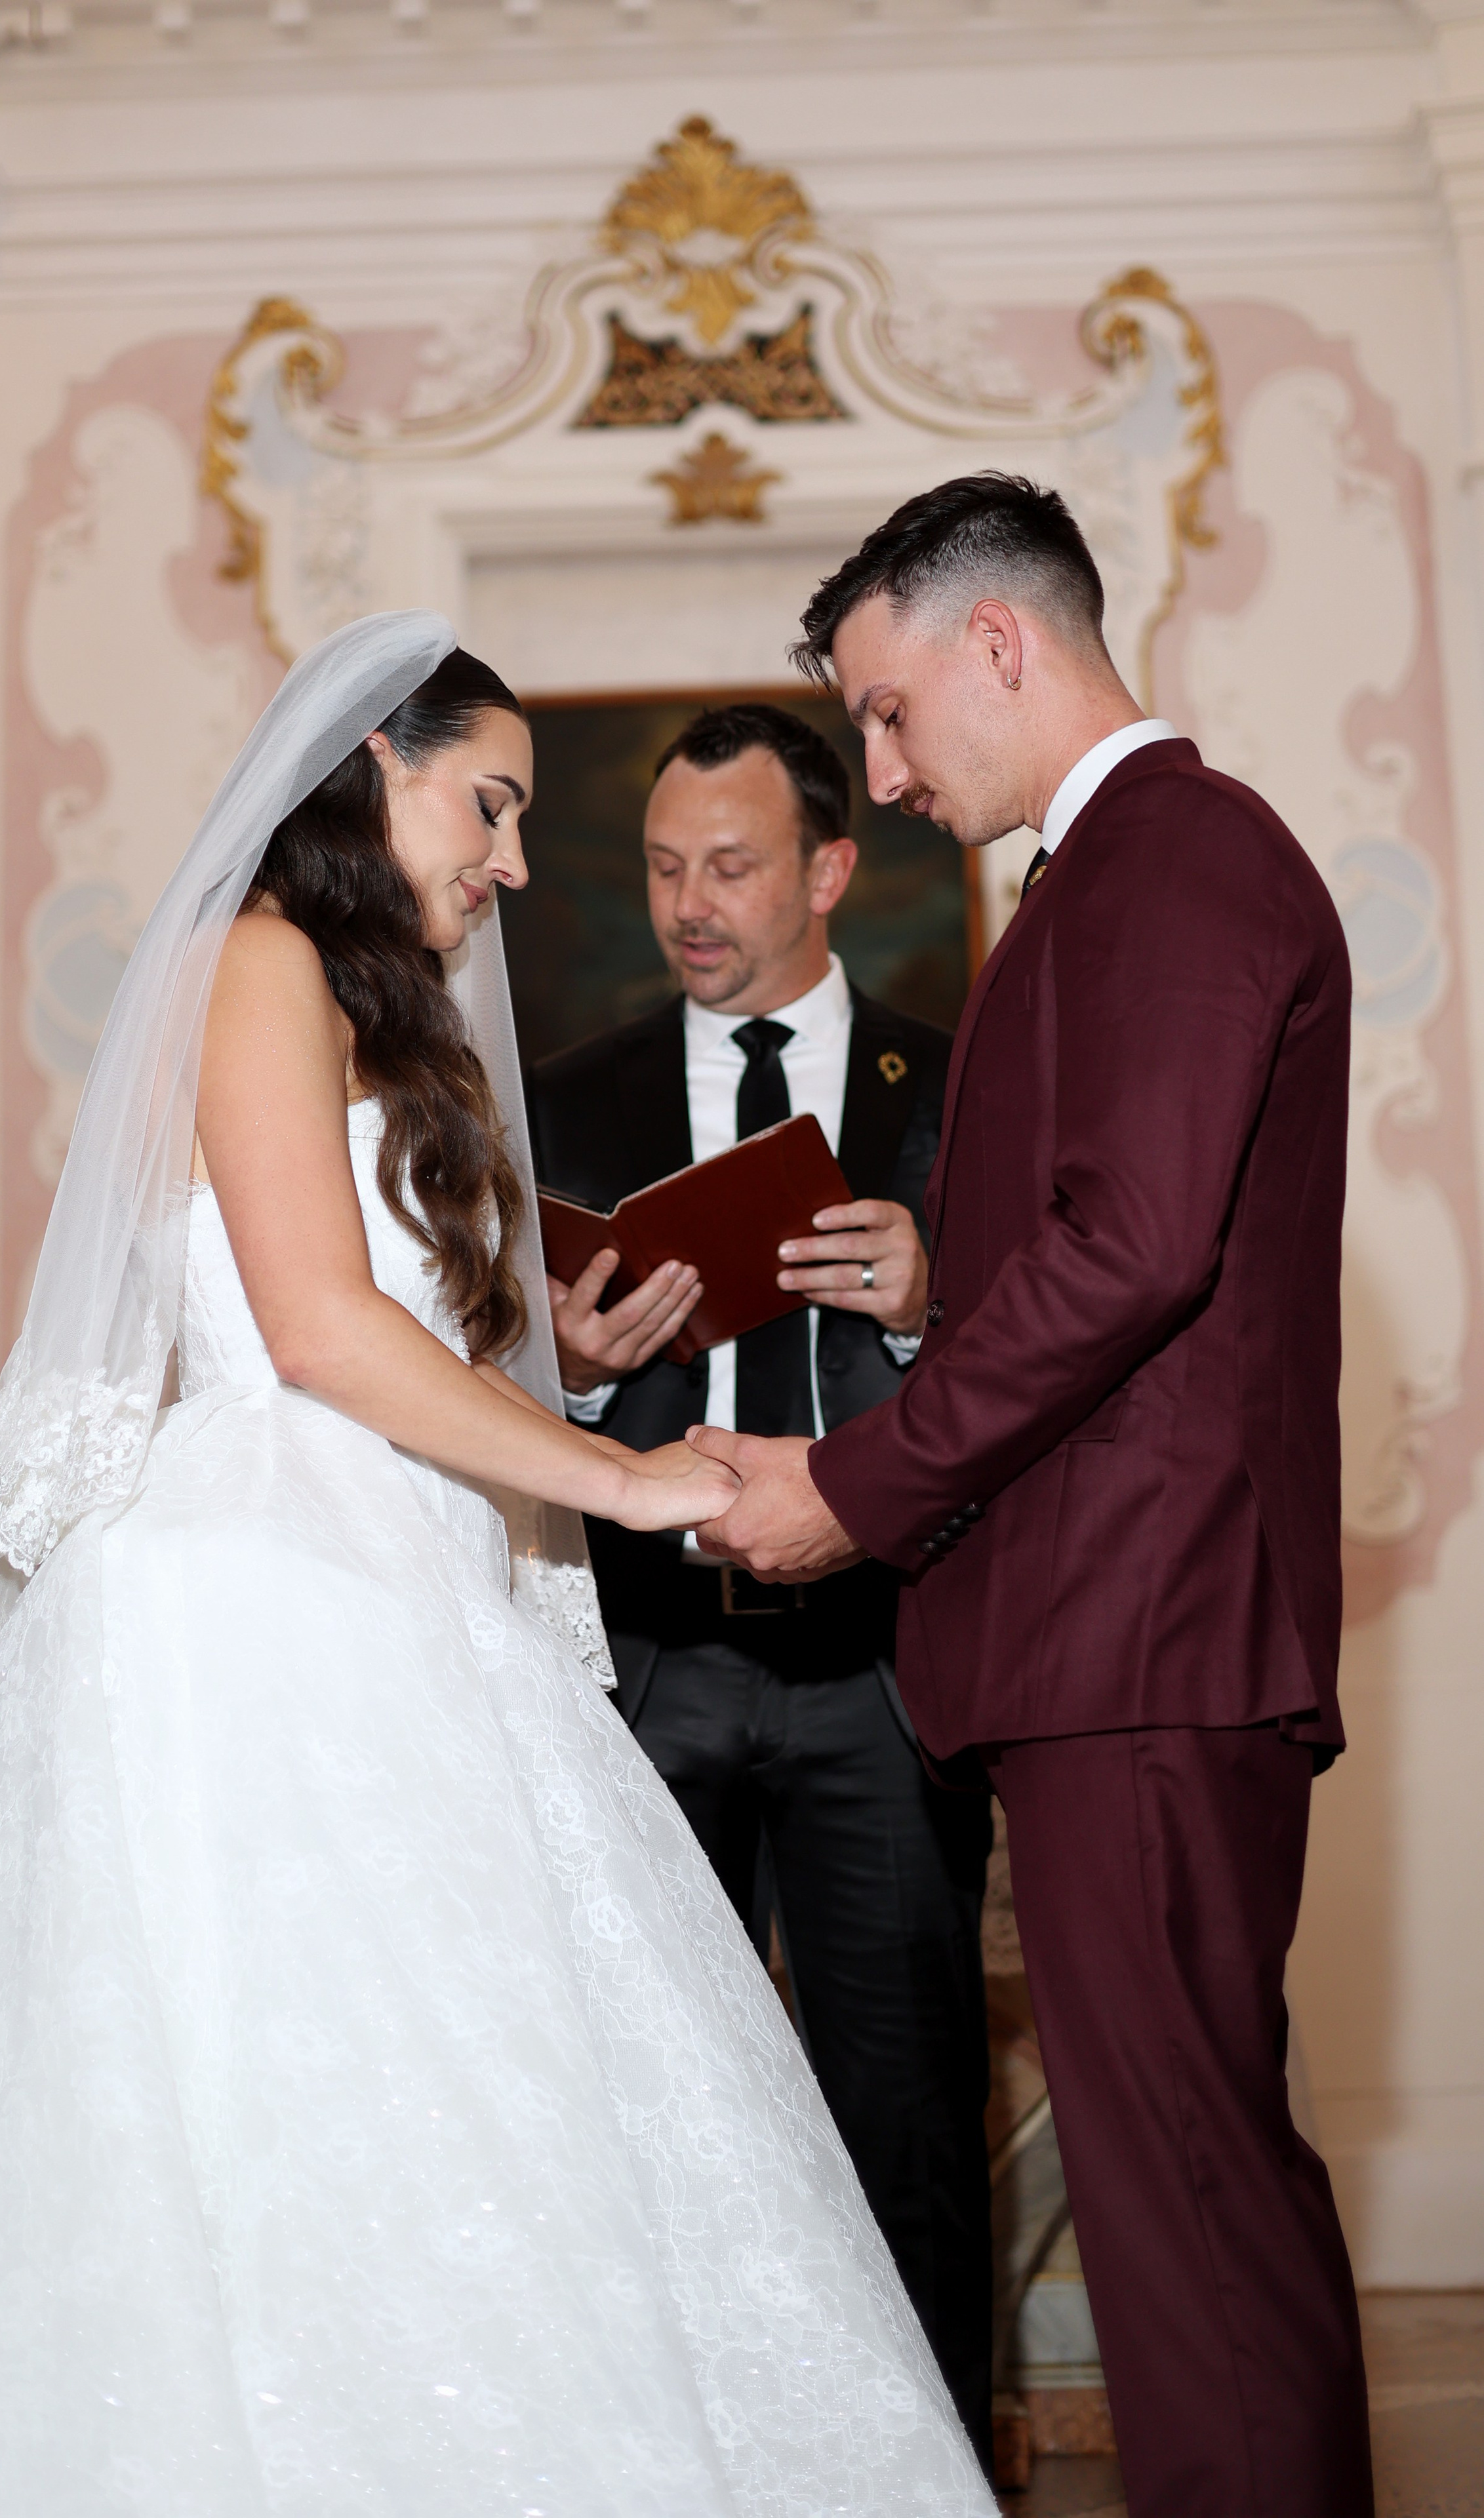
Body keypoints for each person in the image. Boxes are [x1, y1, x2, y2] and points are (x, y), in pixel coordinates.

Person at [0, 620, 997, 2517]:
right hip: (268, 1592)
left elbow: (429, 1325)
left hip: (405, 1581)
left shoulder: (389, 1004)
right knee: (285, 2096)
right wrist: (624, 1488)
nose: (518, 861)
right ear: (374, 763)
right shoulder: (254, 960)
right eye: (492, 804)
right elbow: (321, 1332)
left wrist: (566, 1363)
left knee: (463, 2110)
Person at [688, 477, 1376, 2518]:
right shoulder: (1119, 872)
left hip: (1141, 1642)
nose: (883, 777)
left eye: (892, 715)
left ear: (1004, 643)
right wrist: (940, 1289)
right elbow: (1127, 1247)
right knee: (1196, 2221)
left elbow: (1144, 1248)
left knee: (1191, 2231)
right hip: (1114, 1634)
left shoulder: (1175, 853)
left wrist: (853, 1487)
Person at [525, 702, 994, 2468]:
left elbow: (1049, 1351)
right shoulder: (569, 1094)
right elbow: (492, 1392)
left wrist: (929, 1296)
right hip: (650, 1672)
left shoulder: (956, 1088)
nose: (689, 904)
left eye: (730, 865)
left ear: (832, 870)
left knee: (906, 2137)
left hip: (882, 1669)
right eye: (661, 867)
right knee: (661, 2130)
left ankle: (934, 2481)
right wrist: (569, 1367)